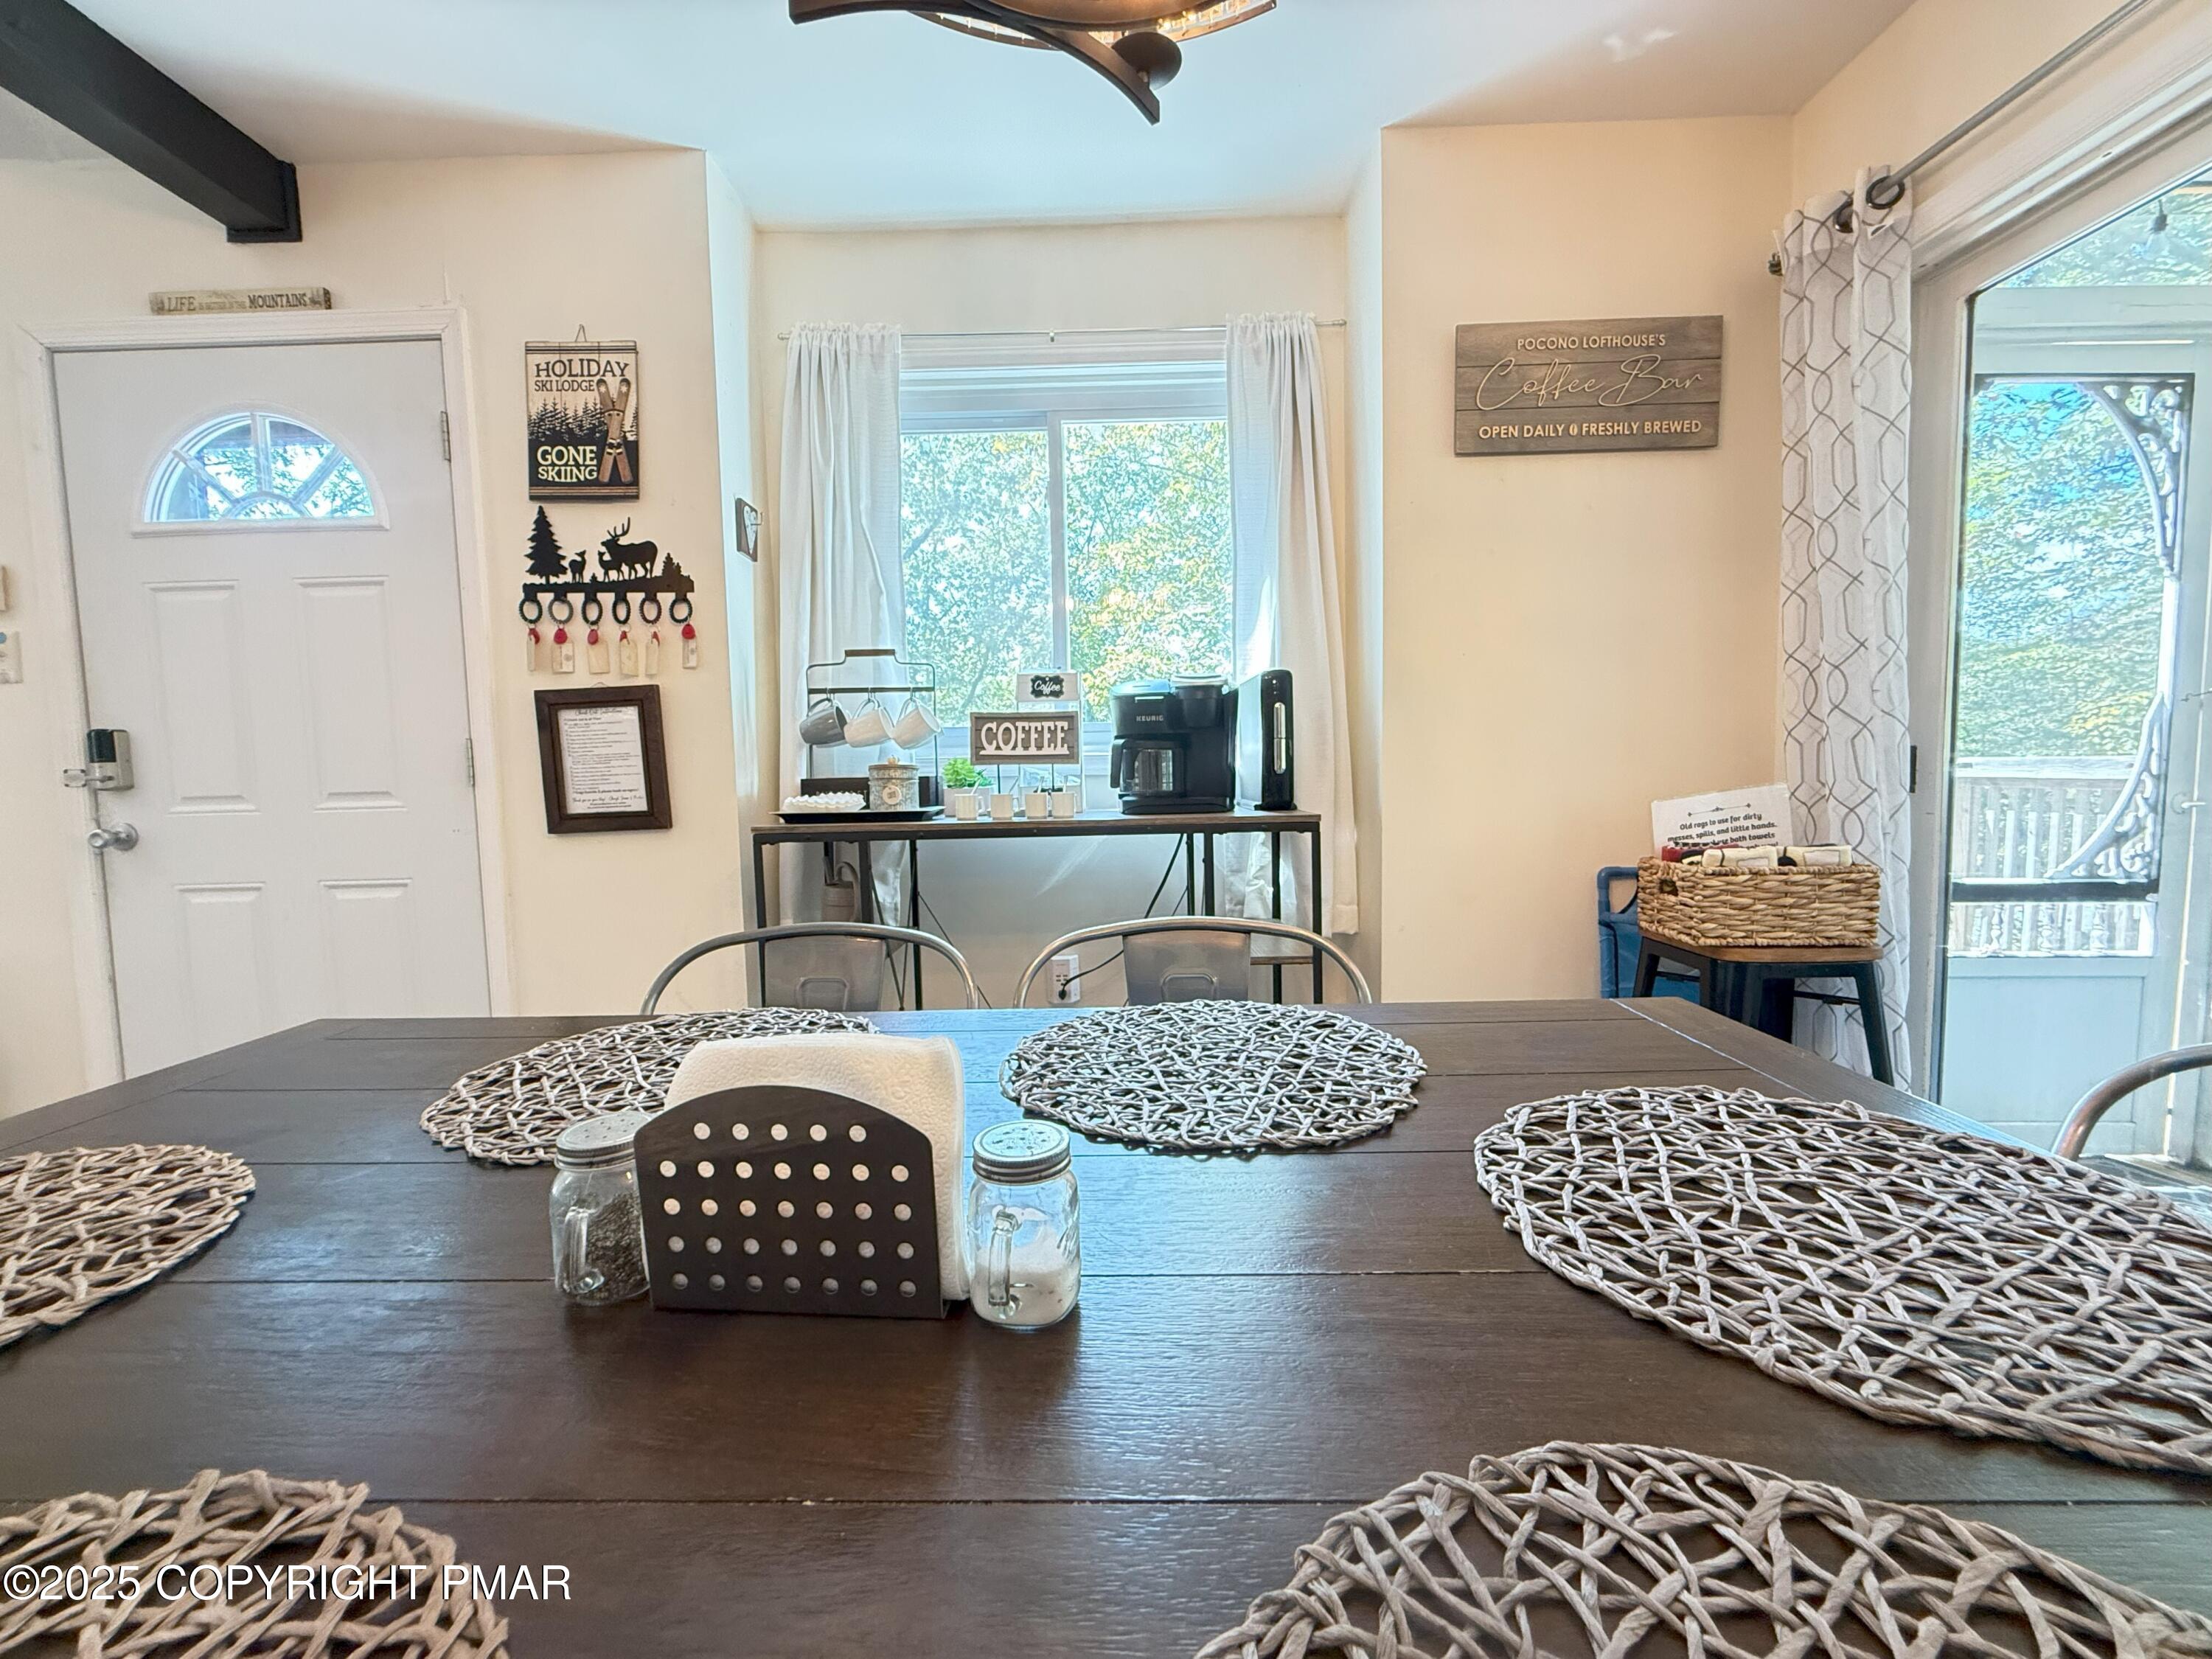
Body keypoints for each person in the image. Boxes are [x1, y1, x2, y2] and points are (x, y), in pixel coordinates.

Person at [597, 373, 635, 487]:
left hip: (614, 422)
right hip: (614, 424)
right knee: (615, 442)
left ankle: (620, 477)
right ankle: (622, 477)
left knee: (614, 442)